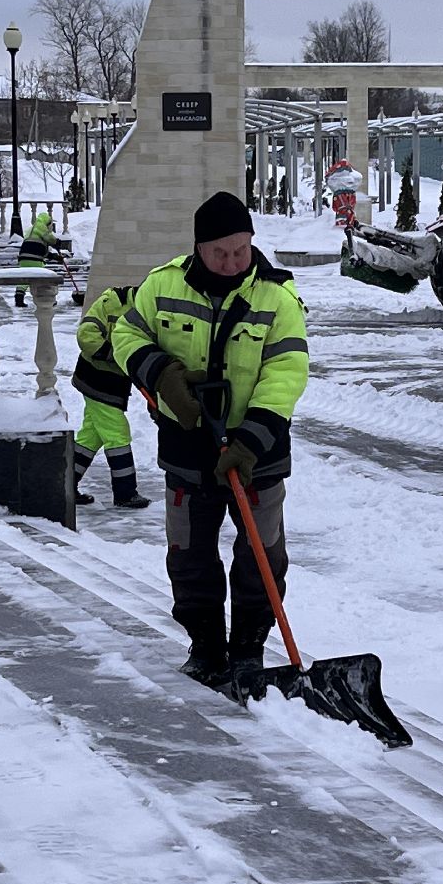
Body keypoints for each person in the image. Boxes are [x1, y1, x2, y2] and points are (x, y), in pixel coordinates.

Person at [111, 190, 309, 687]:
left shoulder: (276, 297)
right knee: (189, 555)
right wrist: (162, 375)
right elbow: (125, 335)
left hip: (256, 456)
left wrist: (250, 440)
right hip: (187, 454)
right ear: (198, 247)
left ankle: (247, 649)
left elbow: (287, 371)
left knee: (260, 558)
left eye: (240, 250)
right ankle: (204, 646)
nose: (231, 262)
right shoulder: (162, 286)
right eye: (219, 252)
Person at [71, 285, 151, 510]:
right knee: (118, 435)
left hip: (115, 384)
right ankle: (125, 492)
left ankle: (65, 485)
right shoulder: (112, 301)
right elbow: (86, 335)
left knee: (91, 436)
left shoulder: (150, 312)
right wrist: (117, 356)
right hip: (96, 379)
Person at [15, 210, 57, 308]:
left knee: (24, 278)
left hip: (23, 257)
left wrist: (53, 256)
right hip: (35, 259)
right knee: (44, 278)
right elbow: (50, 239)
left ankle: (19, 298)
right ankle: (48, 299)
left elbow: (38, 248)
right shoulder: (41, 227)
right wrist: (56, 242)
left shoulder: (31, 229)